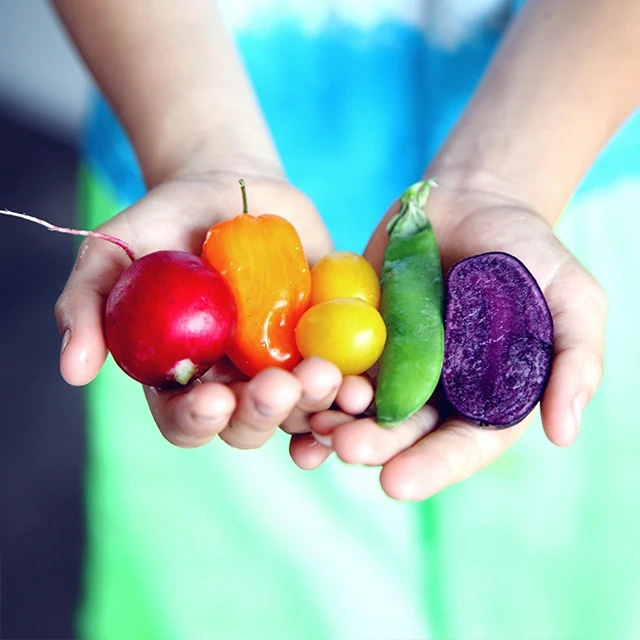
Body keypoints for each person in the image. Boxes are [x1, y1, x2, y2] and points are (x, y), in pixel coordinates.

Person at [51, 0, 640, 638]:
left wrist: (507, 183)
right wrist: (200, 152)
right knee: (240, 587)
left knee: (561, 580)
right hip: (184, 177)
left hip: (571, 153)